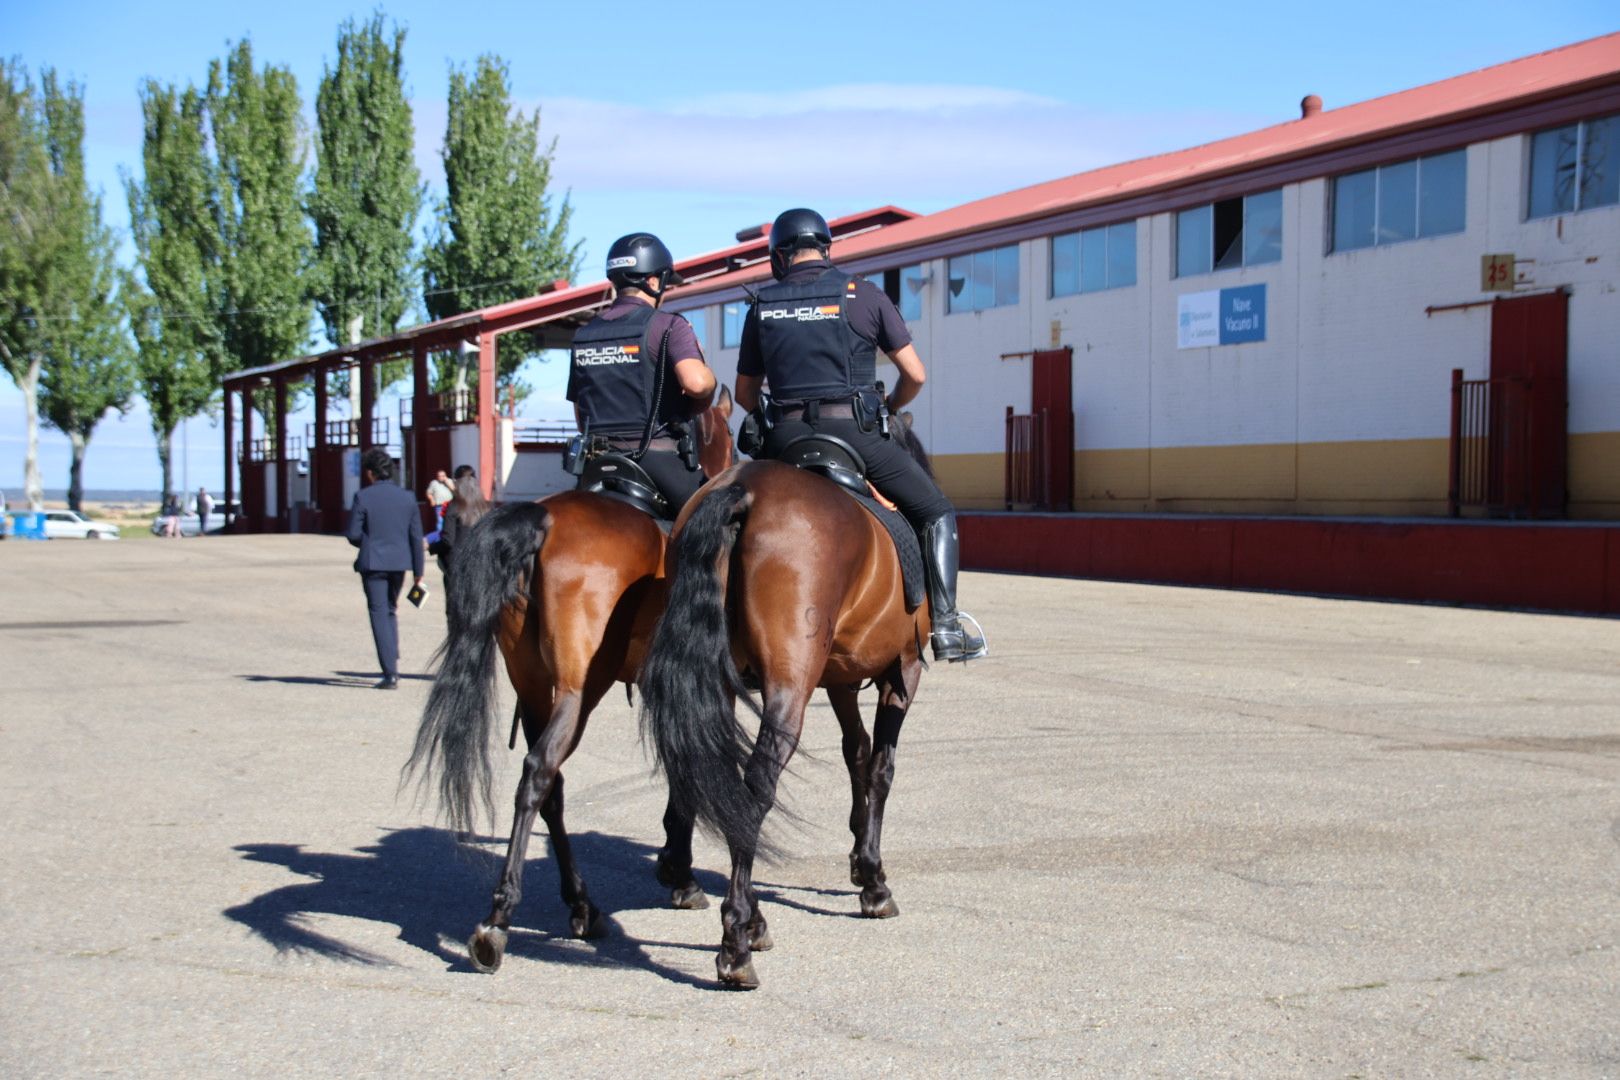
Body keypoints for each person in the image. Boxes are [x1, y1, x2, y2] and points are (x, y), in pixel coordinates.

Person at [734, 208, 986, 663]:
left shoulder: (762, 305)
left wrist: (773, 420)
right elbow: (915, 374)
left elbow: (744, 392)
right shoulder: (862, 293)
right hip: (855, 435)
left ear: (780, 256)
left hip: (785, 444)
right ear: (825, 249)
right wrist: (889, 407)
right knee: (936, 511)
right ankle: (946, 625)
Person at [566, 232, 717, 512]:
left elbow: (580, 416)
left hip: (595, 466)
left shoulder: (584, 335)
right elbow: (696, 384)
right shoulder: (669, 325)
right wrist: (708, 374)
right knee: (717, 521)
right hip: (656, 460)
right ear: (653, 281)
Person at [346, 448, 425, 689]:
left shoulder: (363, 497)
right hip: (400, 563)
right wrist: (418, 572)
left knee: (379, 613)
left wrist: (367, 543)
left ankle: (390, 673)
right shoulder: (408, 498)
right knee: (391, 609)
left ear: (370, 473)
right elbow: (415, 537)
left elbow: (353, 534)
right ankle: (392, 655)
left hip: (373, 563)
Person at [431, 464, 491, 623]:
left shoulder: (454, 507)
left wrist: (431, 548)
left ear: (457, 483)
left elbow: (447, 541)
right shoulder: (487, 507)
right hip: (481, 569)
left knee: (456, 617)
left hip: (456, 569)